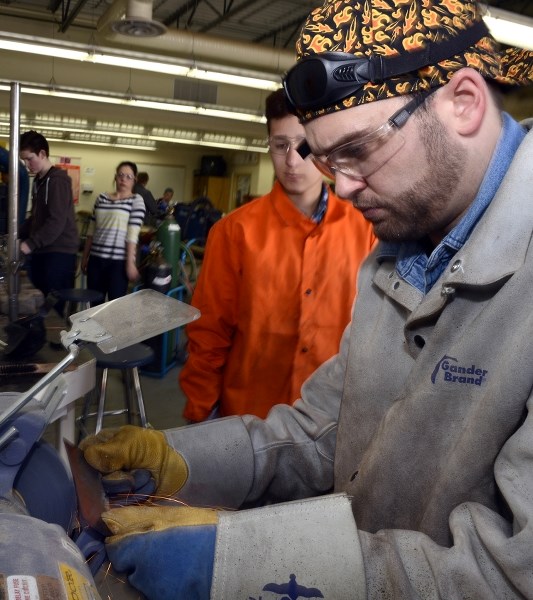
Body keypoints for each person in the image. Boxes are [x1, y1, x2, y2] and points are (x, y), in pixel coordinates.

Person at [5, 1, 533, 597]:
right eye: (328, 161)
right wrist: (182, 461)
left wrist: (246, 563)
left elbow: (509, 574)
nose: (347, 189)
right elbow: (322, 431)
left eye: (357, 150)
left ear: (462, 102)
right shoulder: (400, 250)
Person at [180, 88, 376, 421]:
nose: (291, 160)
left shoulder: (367, 230)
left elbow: (377, 332)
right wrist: (200, 412)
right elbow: (209, 332)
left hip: (330, 422)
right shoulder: (235, 232)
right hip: (249, 418)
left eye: (303, 145)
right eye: (280, 145)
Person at [18, 131, 79, 315]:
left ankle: (58, 342)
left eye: (30, 159)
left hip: (59, 253)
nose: (27, 165)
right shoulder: (39, 181)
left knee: (54, 306)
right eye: (24, 161)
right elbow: (36, 218)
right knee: (42, 301)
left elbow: (56, 221)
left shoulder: (57, 181)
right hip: (44, 250)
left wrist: (31, 243)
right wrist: (15, 233)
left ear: (43, 154)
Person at [81, 161, 145, 301]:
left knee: (114, 308)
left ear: (134, 180)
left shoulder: (136, 200)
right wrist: (85, 257)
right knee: (94, 307)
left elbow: (132, 234)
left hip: (118, 264)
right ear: (115, 177)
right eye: (121, 175)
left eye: (128, 176)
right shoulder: (101, 198)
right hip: (96, 261)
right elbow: (91, 230)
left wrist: (130, 263)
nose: (123, 179)